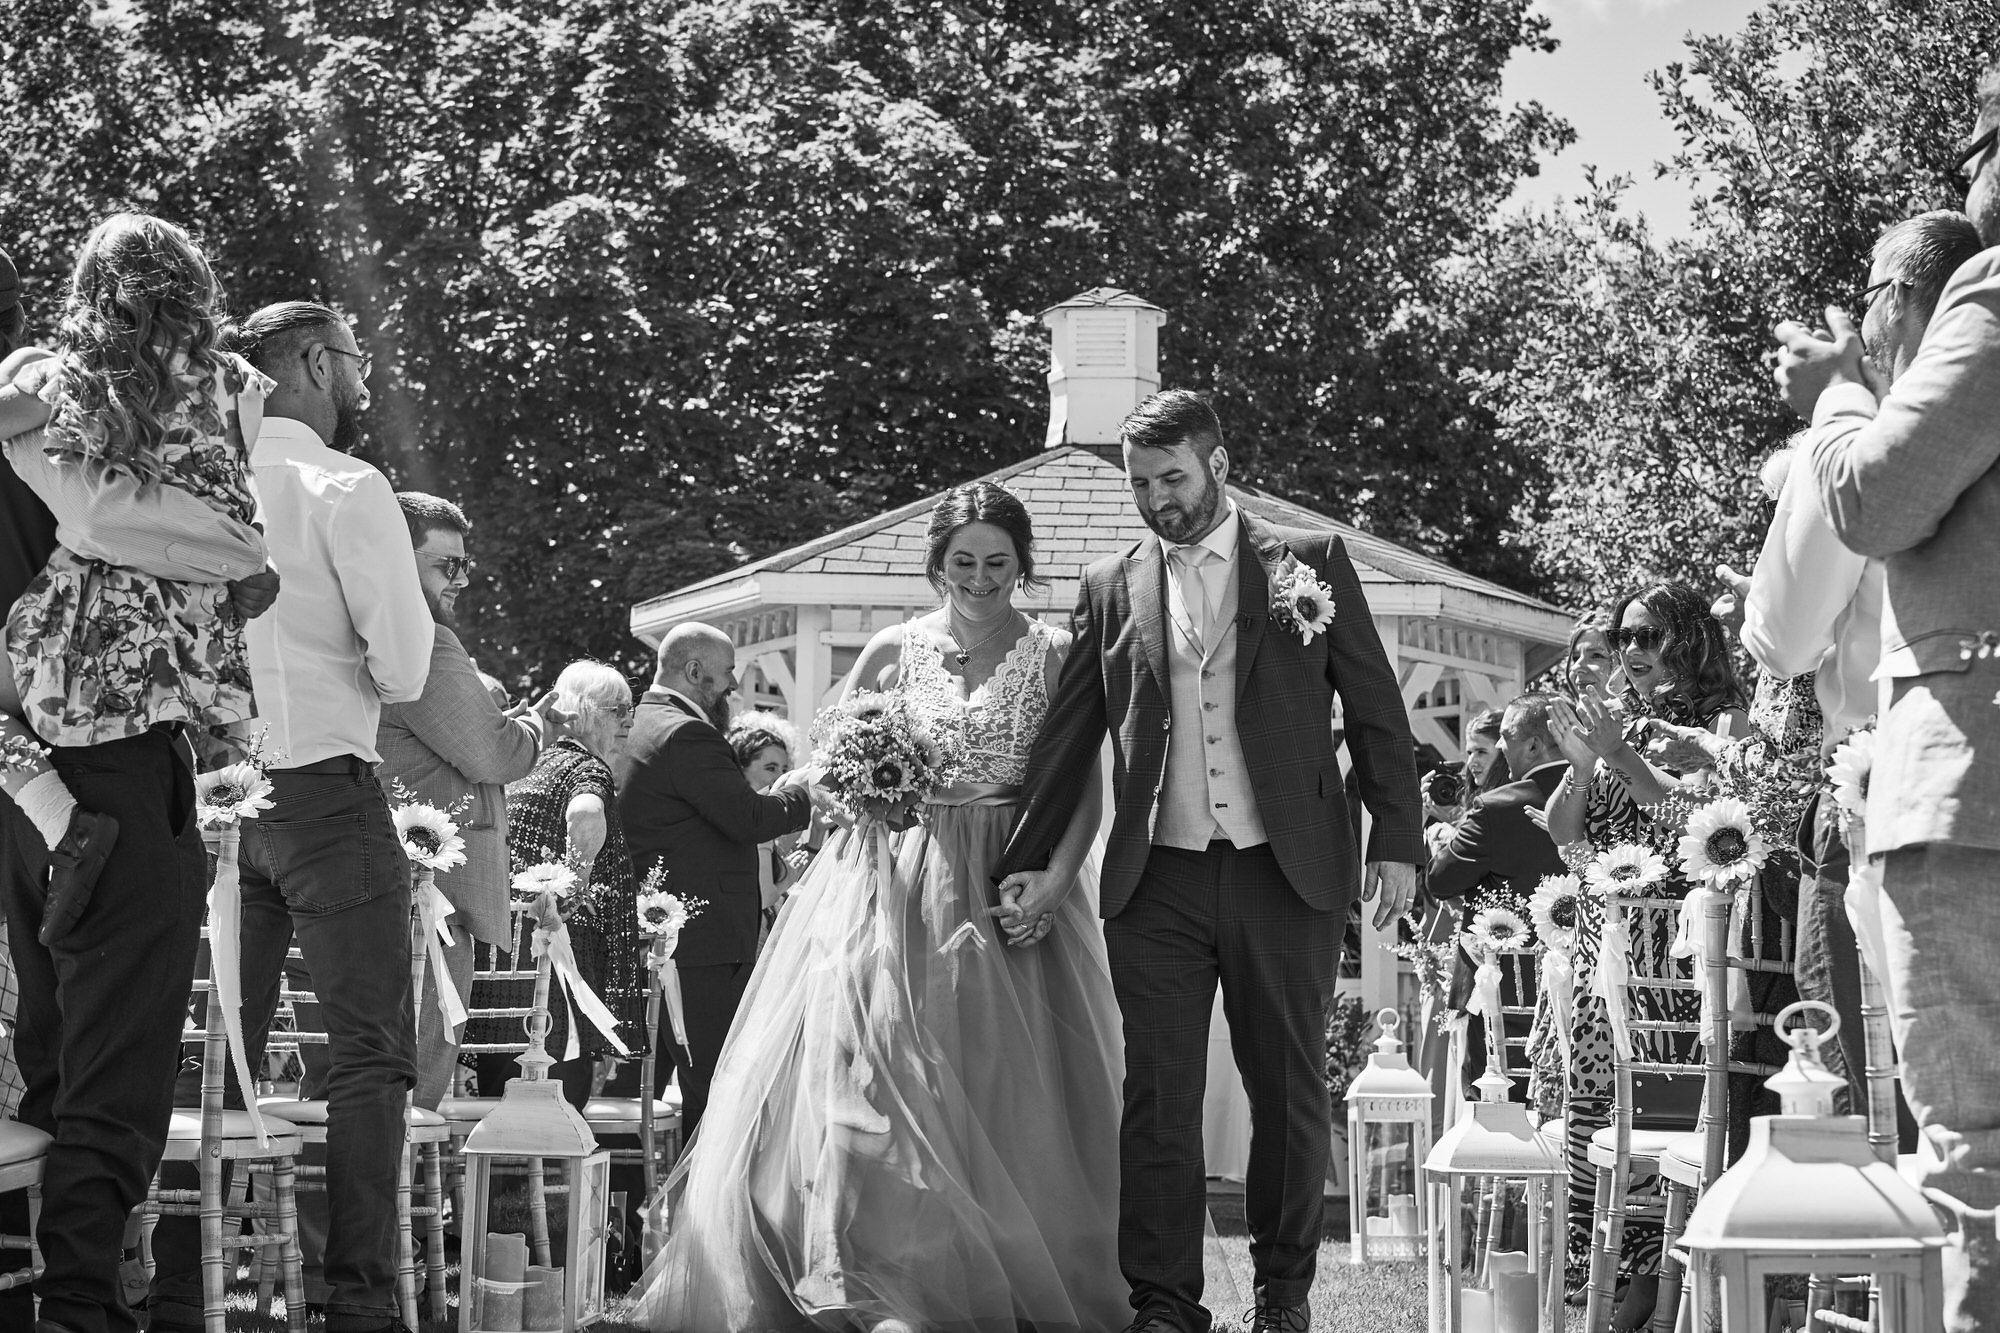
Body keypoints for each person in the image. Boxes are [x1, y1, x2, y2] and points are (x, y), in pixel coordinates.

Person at [631, 481, 1127, 1333]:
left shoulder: (1053, 654)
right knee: (888, 1080)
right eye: (963, 561)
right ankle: (888, 1277)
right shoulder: (893, 651)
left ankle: (1017, 1274)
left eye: (998, 563)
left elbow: (1088, 782)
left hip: (1014, 882)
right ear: (937, 562)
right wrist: (863, 791)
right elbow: (827, 769)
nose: (980, 579)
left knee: (1014, 1087)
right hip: (898, 889)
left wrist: (1055, 877)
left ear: (1023, 566)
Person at [996, 391, 1422, 1333]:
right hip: (1159, 877)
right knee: (1157, 1097)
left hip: (1288, 868)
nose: (1158, 499)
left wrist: (1397, 836)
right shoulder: (1110, 582)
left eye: (1173, 478)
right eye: (1142, 484)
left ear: (1218, 464)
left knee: (1288, 1087)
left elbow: (1378, 709)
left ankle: (1282, 1295)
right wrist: (1024, 858)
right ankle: (1164, 1302)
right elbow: (1072, 736)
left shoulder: (1309, 561)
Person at [0, 240, 276, 1333]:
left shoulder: (39, 405)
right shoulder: (141, 407)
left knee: (56, 1059)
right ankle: (82, 1306)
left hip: (21, 774)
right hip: (112, 761)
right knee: (117, 1070)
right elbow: (226, 547)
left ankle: (60, 1295)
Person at [147, 300, 434, 1333]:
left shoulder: (188, 483)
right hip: (321, 792)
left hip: (212, 797)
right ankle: (358, 1302)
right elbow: (402, 668)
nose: (361, 382)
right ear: (313, 363)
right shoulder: (347, 486)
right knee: (367, 1055)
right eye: (354, 362)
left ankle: (181, 1290)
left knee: (214, 1046)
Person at [1774, 68, 2000, 1319]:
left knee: (1975, 1159)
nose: (1968, 192)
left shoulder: (1992, 288)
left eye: (1975, 160)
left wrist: (1833, 404)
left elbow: (1873, 498)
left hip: (1977, 781)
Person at [1732, 211, 1981, 1125]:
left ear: (1900, 305)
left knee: (1883, 1120)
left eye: (1870, 296)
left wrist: (1829, 415)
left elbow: (1782, 637)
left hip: (1882, 798)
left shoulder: (1866, 435)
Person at [0, 214, 273, 942]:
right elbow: (234, 485)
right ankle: (222, 775)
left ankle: (66, 824)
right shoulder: (237, 382)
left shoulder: (82, 377)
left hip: (99, 627)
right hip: (196, 626)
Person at [1541, 581, 1748, 1324]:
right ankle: (1591, 1299)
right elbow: (1567, 834)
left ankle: (1648, 1296)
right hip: (1611, 953)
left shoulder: (1721, 722)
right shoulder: (1616, 720)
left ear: (1690, 639)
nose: (1631, 651)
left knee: (1661, 1135)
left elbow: (1699, 823)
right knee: (1597, 1125)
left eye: (1649, 635)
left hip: (1681, 958)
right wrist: (1589, 761)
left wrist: (1620, 751)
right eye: (1625, 635)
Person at [376, 492, 564, 1108]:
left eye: (464, 565)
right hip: (424, 905)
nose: (460, 579)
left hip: (391, 888)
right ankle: (390, 1205)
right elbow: (491, 753)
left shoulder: (357, 628)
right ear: (394, 561)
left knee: (364, 1080)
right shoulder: (423, 640)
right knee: (414, 1088)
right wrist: (540, 727)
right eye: (444, 565)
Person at [613, 623, 815, 1138]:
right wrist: (812, 792)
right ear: (695, 670)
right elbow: (748, 818)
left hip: (662, 932)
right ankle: (695, 1212)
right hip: (702, 940)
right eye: (727, 673)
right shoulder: (689, 734)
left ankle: (638, 1209)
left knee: (640, 1085)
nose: (733, 687)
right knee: (713, 1090)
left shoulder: (638, 722)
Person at [473, 661, 644, 1106]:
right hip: (556, 977)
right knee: (556, 1120)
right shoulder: (586, 768)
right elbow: (586, 814)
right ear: (585, 712)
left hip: (506, 968)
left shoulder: (531, 763)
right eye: (617, 708)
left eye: (631, 707)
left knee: (500, 1114)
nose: (629, 718)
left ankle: (503, 1181)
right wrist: (576, 883)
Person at [724, 716, 805, 944]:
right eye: (771, 768)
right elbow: (765, 897)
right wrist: (787, 880)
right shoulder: (755, 822)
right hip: (752, 933)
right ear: (742, 769)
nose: (780, 777)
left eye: (784, 769)